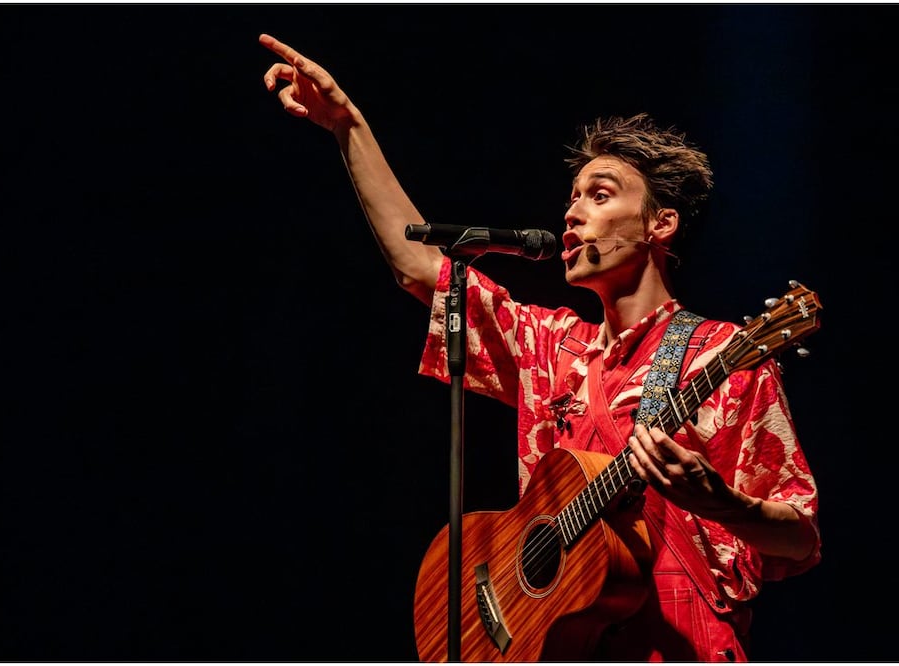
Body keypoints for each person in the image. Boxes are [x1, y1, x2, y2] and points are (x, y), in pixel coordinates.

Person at [259, 32, 821, 663]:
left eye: (599, 195)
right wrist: (347, 126)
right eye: (573, 197)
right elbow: (420, 268)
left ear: (660, 224)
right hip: (560, 642)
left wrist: (723, 504)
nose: (572, 214)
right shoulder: (552, 346)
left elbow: (799, 538)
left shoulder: (723, 356)